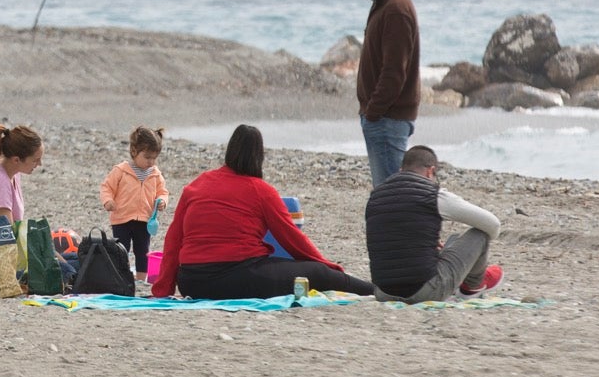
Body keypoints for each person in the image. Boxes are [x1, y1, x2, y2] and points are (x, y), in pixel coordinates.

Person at [150, 124, 374, 300]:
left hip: (192, 282)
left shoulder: (198, 184)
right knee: (319, 274)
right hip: (235, 277)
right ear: (259, 156)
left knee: (290, 267)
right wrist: (327, 266)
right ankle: (374, 290)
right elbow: (292, 239)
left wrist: (163, 288)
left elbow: (174, 239)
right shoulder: (261, 191)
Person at [365, 145, 504, 301]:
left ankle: (469, 281)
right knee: (479, 234)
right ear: (430, 171)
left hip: (383, 292)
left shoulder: (375, 196)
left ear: (401, 169)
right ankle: (473, 287)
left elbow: (391, 233)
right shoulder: (434, 195)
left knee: (451, 241)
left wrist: (422, 238)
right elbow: (493, 224)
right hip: (424, 291)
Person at [342, 0, 421, 188]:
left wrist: (373, 112)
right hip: (383, 118)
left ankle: (397, 228)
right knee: (388, 193)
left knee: (390, 194)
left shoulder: (396, 8)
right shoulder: (386, 4)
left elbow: (394, 72)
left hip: (387, 119)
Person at [100, 126, 169, 273]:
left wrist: (162, 200)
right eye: (147, 157)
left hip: (145, 219)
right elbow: (106, 187)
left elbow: (163, 191)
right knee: (121, 249)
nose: (151, 162)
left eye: (154, 158)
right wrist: (108, 201)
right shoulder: (120, 170)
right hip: (121, 218)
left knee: (143, 250)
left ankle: (141, 278)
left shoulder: (155, 174)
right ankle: (121, 275)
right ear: (134, 151)